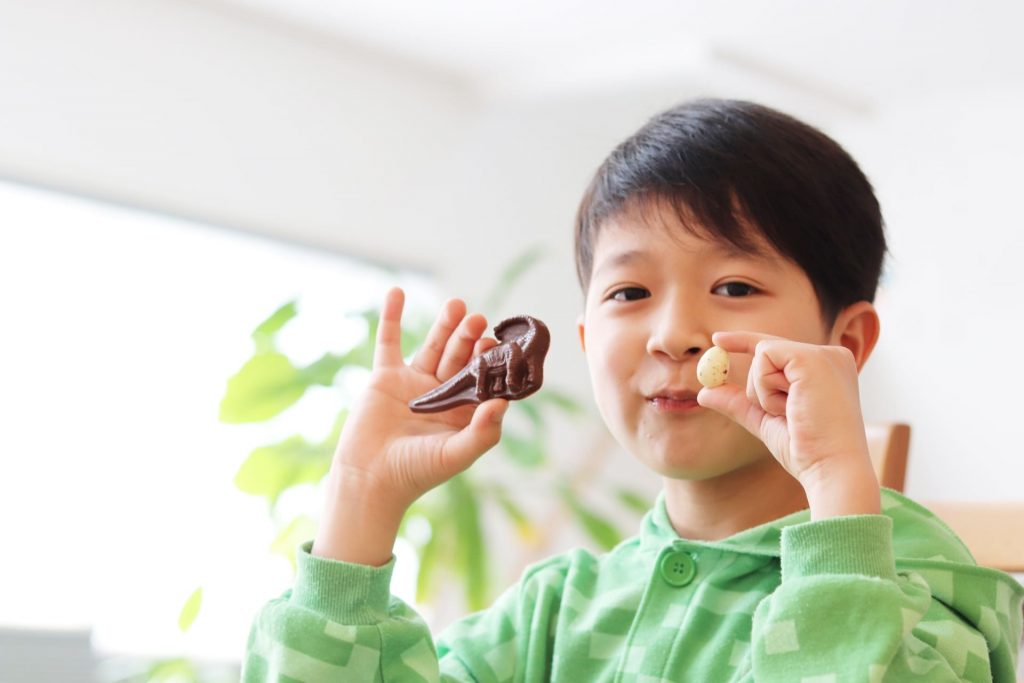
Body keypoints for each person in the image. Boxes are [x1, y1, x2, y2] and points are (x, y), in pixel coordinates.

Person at [241, 99, 1023, 682]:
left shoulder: (921, 588)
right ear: (584, 342)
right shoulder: (558, 610)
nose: (672, 333)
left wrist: (842, 496)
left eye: (735, 283)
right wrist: (359, 502)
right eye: (627, 294)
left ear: (844, 345)